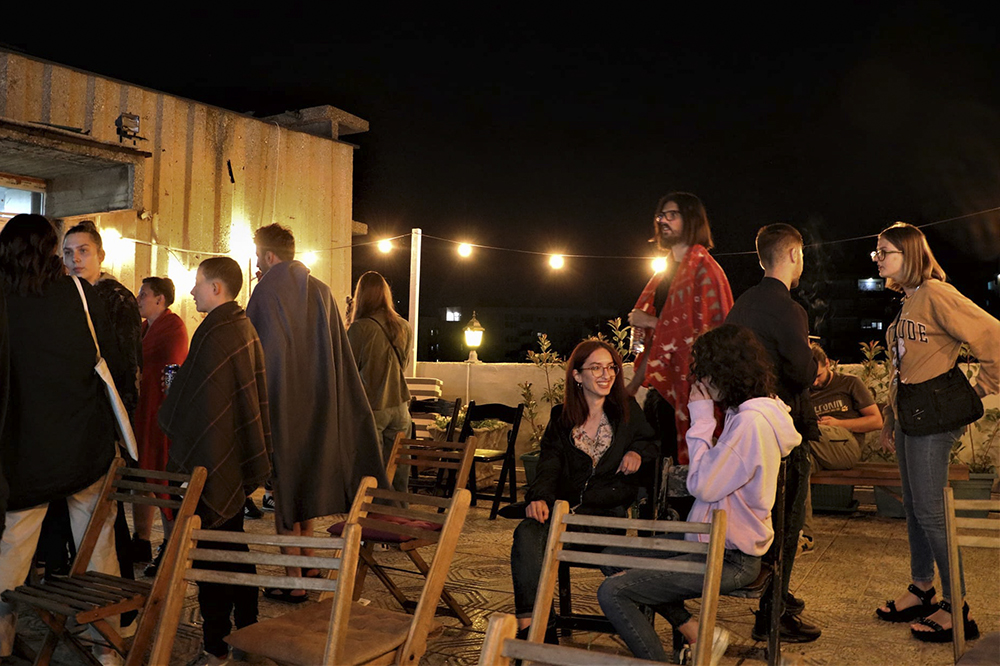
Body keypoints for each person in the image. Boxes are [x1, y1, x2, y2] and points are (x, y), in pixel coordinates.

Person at [598, 324, 801, 663]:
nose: (700, 381)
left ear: (725, 371)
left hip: (731, 557)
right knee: (612, 556)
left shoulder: (751, 424)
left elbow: (702, 486)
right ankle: (697, 632)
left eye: (704, 372)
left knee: (614, 591)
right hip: (709, 542)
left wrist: (702, 418)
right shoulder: (748, 414)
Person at [0, 214, 122, 663]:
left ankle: (1, 645)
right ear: (52, 250)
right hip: (83, 444)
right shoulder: (78, 293)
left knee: (11, 553)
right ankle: (107, 649)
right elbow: (108, 359)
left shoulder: (3, 299)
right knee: (98, 545)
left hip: (24, 452)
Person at [872, 222, 999, 643]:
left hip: (934, 420)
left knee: (930, 511)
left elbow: (993, 336)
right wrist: (890, 417)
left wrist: (979, 390)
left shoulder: (936, 293)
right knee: (914, 507)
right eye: (876, 252)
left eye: (885, 252)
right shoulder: (909, 300)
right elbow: (904, 367)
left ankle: (956, 607)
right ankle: (922, 588)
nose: (877, 259)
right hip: (911, 418)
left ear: (910, 255)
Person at [246, 223, 386, 603]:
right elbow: (338, 357)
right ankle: (307, 564)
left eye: (258, 256)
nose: (256, 265)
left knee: (285, 495)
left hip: (281, 410)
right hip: (320, 410)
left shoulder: (265, 292)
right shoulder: (322, 291)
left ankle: (294, 579)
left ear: (270, 256)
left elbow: (256, 357)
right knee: (304, 488)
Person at [159, 257, 272, 666]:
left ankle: (218, 641)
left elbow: (200, 405)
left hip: (213, 461)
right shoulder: (241, 327)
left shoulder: (217, 333)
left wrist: (174, 400)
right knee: (232, 541)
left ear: (217, 288)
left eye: (198, 283)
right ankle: (248, 629)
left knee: (212, 549)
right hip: (230, 459)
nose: (192, 291)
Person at [510, 339, 658, 641]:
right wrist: (539, 497)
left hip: (605, 518)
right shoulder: (562, 418)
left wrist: (637, 453)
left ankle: (535, 631)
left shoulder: (626, 411)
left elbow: (652, 443)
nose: (606, 375)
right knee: (527, 531)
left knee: (541, 536)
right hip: (563, 515)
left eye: (611, 368)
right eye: (596, 368)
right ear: (577, 375)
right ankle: (533, 625)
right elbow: (549, 464)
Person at [725, 223, 822, 643]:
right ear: (794, 255)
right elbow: (803, 372)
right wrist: (814, 360)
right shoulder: (789, 308)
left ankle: (777, 597)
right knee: (786, 524)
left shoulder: (742, 304)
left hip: (745, 427)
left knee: (765, 518)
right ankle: (773, 613)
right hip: (782, 430)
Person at [62, 221, 145, 594]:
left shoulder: (116, 298)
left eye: (84, 251)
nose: (75, 259)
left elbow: (127, 367)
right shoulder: (69, 294)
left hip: (106, 419)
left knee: (108, 513)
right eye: (68, 253)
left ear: (101, 255)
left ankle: (118, 596)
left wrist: (120, 426)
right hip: (78, 421)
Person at [628, 192, 733, 467]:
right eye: (661, 215)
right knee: (657, 468)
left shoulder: (706, 272)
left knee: (683, 471)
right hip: (662, 390)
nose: (663, 220)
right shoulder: (664, 273)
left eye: (672, 215)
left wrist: (650, 321)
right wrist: (634, 385)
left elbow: (708, 336)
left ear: (692, 220)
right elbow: (658, 342)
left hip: (694, 392)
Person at [800, 342, 882, 549]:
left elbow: (876, 421)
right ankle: (804, 536)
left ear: (827, 363)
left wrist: (838, 424)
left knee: (801, 434)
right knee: (798, 465)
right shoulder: (804, 390)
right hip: (815, 447)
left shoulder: (849, 383)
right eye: (810, 378)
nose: (814, 382)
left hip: (845, 446)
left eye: (818, 376)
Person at [133, 277, 188, 576]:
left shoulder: (173, 326)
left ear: (160, 299)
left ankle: (170, 543)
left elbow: (173, 369)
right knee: (142, 476)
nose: (138, 298)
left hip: (161, 414)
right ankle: (141, 538)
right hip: (144, 411)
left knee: (163, 480)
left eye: (144, 294)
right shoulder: (144, 328)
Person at [347, 271, 413, 493]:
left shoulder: (360, 328)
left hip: (372, 407)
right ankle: (399, 509)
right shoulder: (404, 326)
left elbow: (348, 371)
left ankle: (371, 511)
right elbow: (403, 365)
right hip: (401, 407)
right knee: (399, 471)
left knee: (371, 471)